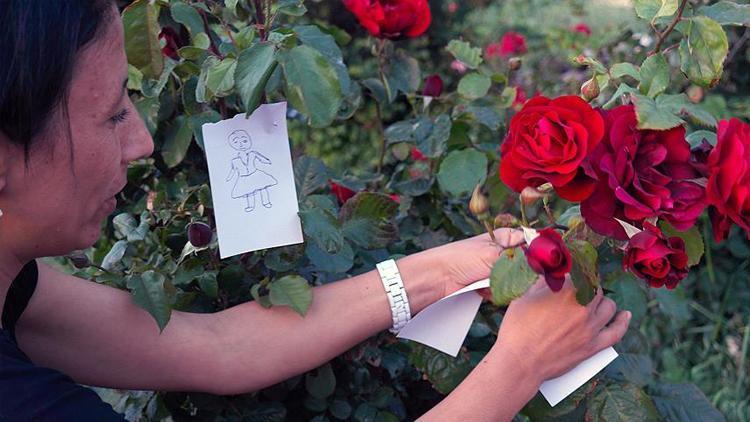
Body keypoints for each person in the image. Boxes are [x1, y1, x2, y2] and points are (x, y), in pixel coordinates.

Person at [0, 1, 630, 420]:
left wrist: (438, 272)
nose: (140, 140)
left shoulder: (14, 284)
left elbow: (215, 345)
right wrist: (520, 366)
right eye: (112, 113)